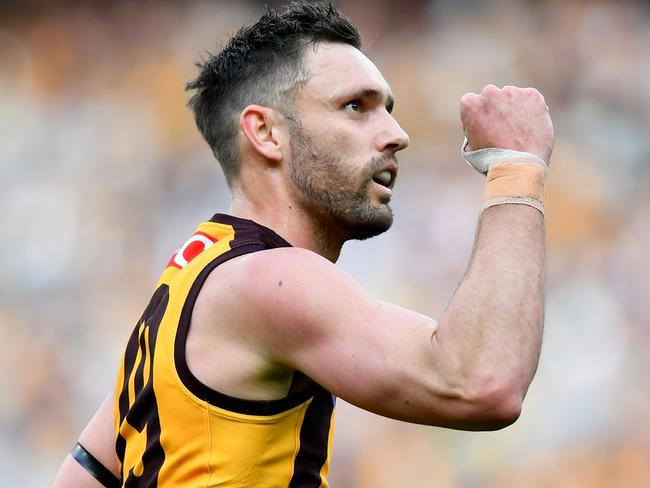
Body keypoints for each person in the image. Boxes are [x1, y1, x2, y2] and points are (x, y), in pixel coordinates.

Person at [53, 1, 554, 486]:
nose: (397, 134)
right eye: (355, 107)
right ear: (265, 132)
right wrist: (516, 165)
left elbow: (88, 470)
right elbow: (483, 384)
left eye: (389, 110)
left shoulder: (191, 274)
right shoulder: (272, 280)